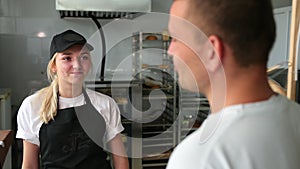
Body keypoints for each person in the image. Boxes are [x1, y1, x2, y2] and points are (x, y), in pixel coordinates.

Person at [167, 0, 300, 169]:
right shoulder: (295, 120)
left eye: (176, 39)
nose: (170, 50)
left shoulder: (200, 158)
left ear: (212, 51)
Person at [16, 29, 129, 169]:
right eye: (67, 58)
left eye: (84, 57)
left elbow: (121, 161)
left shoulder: (105, 104)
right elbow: (29, 165)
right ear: (53, 66)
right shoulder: (32, 106)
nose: (77, 65)